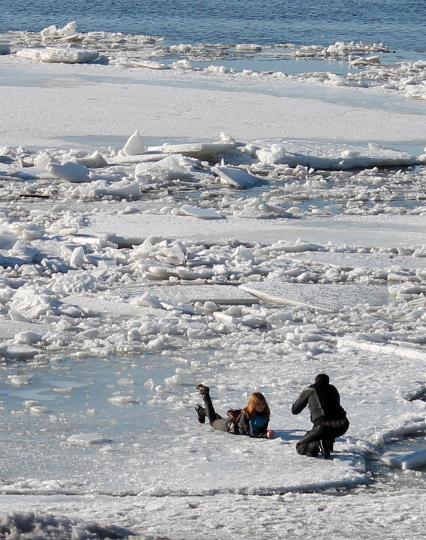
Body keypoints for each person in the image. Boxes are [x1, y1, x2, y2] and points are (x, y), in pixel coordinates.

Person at [291, 373, 349, 459]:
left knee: (301, 447)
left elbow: (295, 410)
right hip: (343, 425)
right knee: (330, 418)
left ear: (316, 381)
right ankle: (327, 444)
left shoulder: (310, 389)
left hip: (323, 427)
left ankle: (319, 443)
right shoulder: (333, 389)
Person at [195, 384, 274, 439]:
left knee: (216, 418)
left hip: (230, 422)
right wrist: (264, 435)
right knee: (213, 422)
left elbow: (262, 429)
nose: (262, 406)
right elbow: (249, 433)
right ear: (253, 405)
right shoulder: (246, 413)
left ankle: (200, 410)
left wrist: (266, 432)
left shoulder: (265, 413)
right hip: (227, 425)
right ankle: (205, 394)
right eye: (258, 404)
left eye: (263, 403)